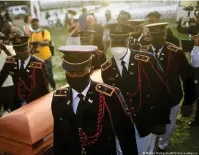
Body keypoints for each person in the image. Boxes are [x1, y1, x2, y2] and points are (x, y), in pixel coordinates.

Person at [52, 45, 138, 155]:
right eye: (70, 72)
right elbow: (59, 136)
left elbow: (126, 133)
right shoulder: (59, 98)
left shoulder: (109, 95)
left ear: (91, 69)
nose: (74, 76)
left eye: (80, 72)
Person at [101, 23, 170, 155]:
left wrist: (161, 120)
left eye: (122, 42)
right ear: (110, 42)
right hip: (122, 124)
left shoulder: (146, 60)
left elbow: (161, 89)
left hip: (146, 120)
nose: (118, 46)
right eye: (115, 42)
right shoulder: (107, 68)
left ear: (128, 41)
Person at [142, 22, 193, 152]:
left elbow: (187, 77)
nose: (159, 38)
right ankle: (150, 149)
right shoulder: (143, 53)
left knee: (168, 128)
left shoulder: (176, 52)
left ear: (165, 34)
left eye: (162, 34)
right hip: (151, 100)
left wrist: (188, 101)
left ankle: (162, 146)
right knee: (151, 128)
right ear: (151, 36)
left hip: (172, 97)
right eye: (155, 35)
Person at [0, 36, 49, 111]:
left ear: (29, 47)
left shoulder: (39, 64)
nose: (22, 53)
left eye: (24, 49)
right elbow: (0, 79)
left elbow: (44, 87)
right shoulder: (10, 61)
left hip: (34, 102)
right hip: (17, 102)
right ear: (14, 50)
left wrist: (46, 105)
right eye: (18, 50)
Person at [0, 21, 22, 115]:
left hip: (11, 83)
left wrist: (5, 49)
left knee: (14, 110)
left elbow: (15, 60)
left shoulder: (11, 47)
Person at [30, 18, 56, 90]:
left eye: (36, 25)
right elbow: (31, 46)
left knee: (49, 75)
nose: (35, 26)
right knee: (41, 77)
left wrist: (39, 43)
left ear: (39, 24)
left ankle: (54, 88)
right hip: (37, 59)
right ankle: (46, 90)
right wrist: (32, 50)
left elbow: (47, 42)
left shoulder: (45, 32)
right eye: (33, 25)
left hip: (46, 57)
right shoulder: (32, 34)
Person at [187, 35, 199, 126]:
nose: (194, 39)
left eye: (196, 37)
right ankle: (196, 118)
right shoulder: (194, 47)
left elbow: (196, 62)